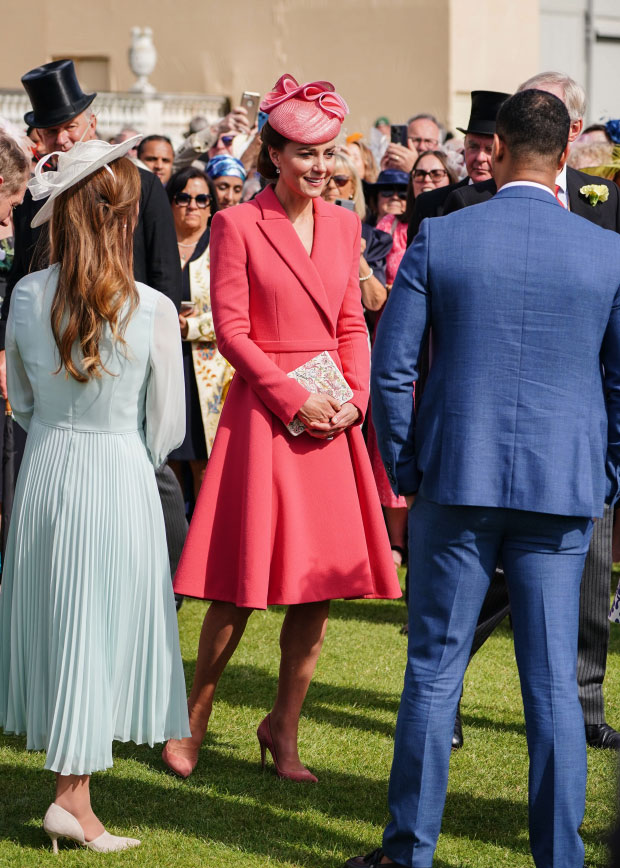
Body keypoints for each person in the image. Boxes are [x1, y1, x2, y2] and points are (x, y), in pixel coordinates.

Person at [350, 87, 620, 868]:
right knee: (551, 685)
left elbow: (391, 371)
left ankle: (410, 852)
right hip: (560, 485)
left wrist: (408, 467)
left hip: (454, 480)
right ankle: (558, 857)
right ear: (566, 154)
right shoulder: (606, 250)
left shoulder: (444, 237)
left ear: (495, 149)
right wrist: (603, 472)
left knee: (433, 671)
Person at [162, 73, 401, 781]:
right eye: (304, 154)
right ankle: (191, 721)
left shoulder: (343, 225)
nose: (319, 167)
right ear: (273, 153)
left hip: (333, 420)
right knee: (238, 586)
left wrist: (355, 397)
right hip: (266, 417)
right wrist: (291, 396)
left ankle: (283, 729)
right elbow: (232, 332)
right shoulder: (236, 223)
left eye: (327, 154)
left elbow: (352, 323)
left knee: (318, 587)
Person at [0, 137, 189, 853]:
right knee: (91, 632)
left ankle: (73, 799)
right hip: (116, 474)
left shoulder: (25, 295)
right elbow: (165, 427)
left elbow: (17, 399)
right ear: (120, 216)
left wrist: (54, 430)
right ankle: (71, 803)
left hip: (46, 468)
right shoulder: (152, 311)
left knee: (65, 627)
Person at [443, 70, 620, 753]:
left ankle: (584, 707)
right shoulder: (463, 210)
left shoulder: (604, 205)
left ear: (572, 130)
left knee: (590, 584)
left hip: (582, 439)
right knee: (485, 587)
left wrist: (611, 454)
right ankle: (446, 691)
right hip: (485, 441)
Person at [0, 59, 188, 595]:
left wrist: (150, 339)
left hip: (127, 342)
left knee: (159, 488)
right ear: (37, 135)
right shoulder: (36, 193)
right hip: (50, 343)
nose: (63, 136)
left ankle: (161, 581)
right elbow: (20, 279)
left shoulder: (140, 186)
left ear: (91, 120)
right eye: (51, 129)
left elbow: (161, 272)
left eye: (71, 125)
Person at [167, 166, 234, 503]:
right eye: (183, 197)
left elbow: (237, 312)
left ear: (211, 205)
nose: (192, 205)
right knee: (168, 459)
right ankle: (172, 541)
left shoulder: (223, 246)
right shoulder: (156, 247)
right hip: (166, 365)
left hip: (209, 373)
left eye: (201, 198)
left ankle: (204, 543)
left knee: (204, 460)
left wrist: (190, 327)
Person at [406, 90, 510, 244]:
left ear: (503, 151)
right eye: (473, 147)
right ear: (464, 147)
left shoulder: (514, 202)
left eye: (489, 149)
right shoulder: (431, 203)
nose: (480, 158)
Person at [322, 151, 391, 312]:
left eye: (340, 180)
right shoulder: (300, 228)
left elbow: (375, 302)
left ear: (353, 187)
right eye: (325, 179)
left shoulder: (372, 237)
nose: (332, 186)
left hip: (351, 324)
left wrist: (357, 256)